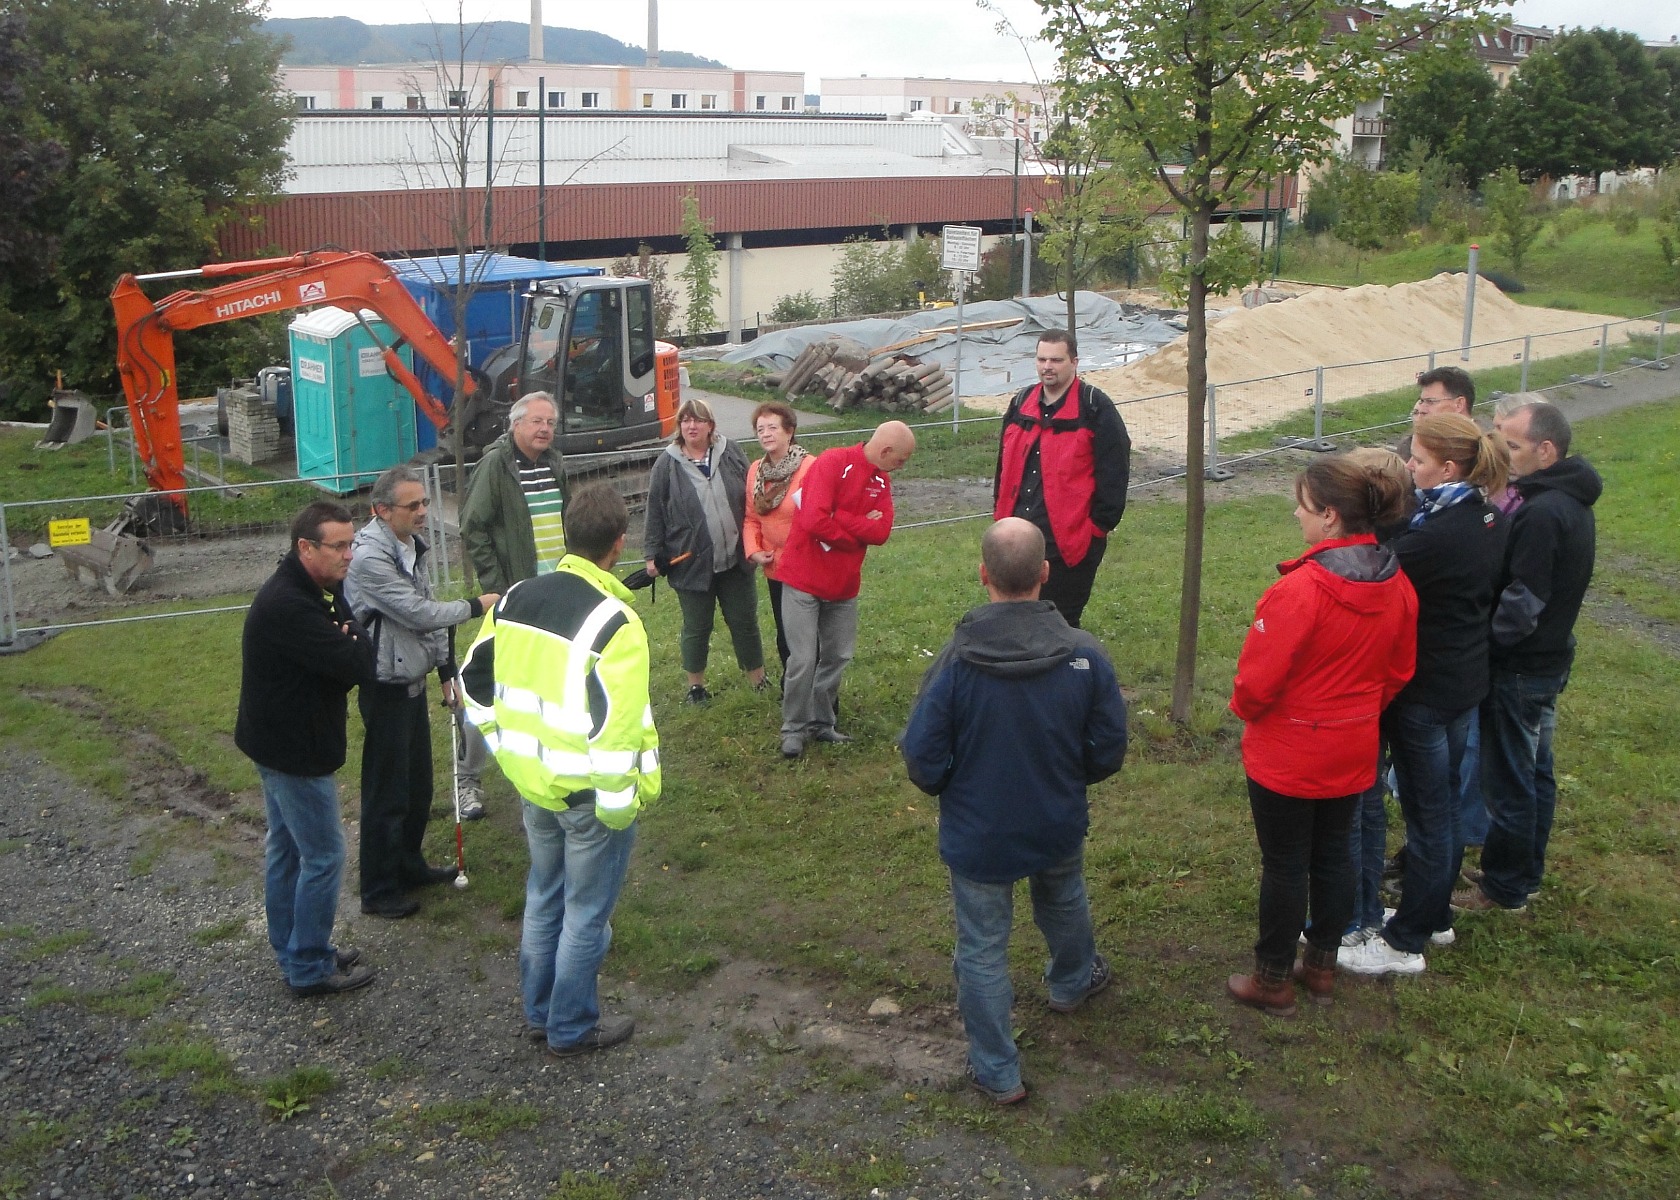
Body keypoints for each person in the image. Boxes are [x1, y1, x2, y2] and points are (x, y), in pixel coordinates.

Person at [901, 518, 1129, 1105]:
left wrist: (956, 787)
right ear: (1046, 575)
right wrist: (1068, 779)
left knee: (981, 946)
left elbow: (922, 757)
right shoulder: (1084, 654)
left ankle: (997, 1070)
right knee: (1064, 894)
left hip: (979, 831)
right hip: (1056, 817)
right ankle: (1073, 979)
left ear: (983, 576)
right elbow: (1108, 748)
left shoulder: (955, 663)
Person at [460, 483, 661, 1056]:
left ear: (567, 535)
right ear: (618, 544)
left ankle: (539, 1011)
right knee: (587, 914)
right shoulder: (615, 622)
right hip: (589, 797)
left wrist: (504, 747)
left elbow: (473, 681)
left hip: (535, 786)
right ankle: (571, 1025)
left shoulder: (517, 595)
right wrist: (619, 809)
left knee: (544, 895)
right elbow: (616, 728)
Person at [1227, 454, 1417, 1015]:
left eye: (1304, 506)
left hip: (1288, 753)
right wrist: (1357, 712)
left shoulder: (1300, 592)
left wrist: (1249, 709)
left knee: (1285, 863)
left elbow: (1256, 685)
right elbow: (1398, 671)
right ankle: (1322, 967)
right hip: (1352, 748)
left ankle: (1271, 978)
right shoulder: (1397, 584)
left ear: (1331, 516)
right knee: (1335, 854)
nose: (1296, 513)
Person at [1340, 416, 1509, 976]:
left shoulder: (1435, 535)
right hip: (1463, 678)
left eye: (1417, 459)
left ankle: (1407, 935)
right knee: (1438, 813)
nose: (1409, 468)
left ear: (1450, 466)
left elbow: (1377, 571)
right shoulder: (1481, 514)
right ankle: (1433, 914)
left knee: (1429, 814)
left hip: (1426, 691)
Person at [1457, 400, 1600, 913]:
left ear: (1546, 449)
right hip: (1548, 660)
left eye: (1512, 445)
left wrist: (1487, 647)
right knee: (1536, 772)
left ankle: (1504, 888)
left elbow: (1525, 600)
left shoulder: (1542, 512)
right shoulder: (1567, 496)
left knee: (1510, 782)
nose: (1501, 452)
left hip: (1521, 668)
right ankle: (1525, 870)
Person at [235, 502, 379, 998]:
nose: (350, 555)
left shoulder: (318, 587)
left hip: (277, 740)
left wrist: (348, 633)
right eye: (339, 546)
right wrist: (351, 638)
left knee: (287, 848)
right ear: (305, 547)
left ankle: (294, 946)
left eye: (351, 543)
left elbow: (350, 634)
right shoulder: (290, 606)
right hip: (293, 750)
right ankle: (309, 965)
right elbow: (360, 664)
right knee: (322, 855)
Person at [345, 467, 498, 919]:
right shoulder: (368, 556)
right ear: (382, 510)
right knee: (386, 790)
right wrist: (475, 606)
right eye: (412, 505)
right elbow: (416, 611)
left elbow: (428, 611)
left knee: (417, 786)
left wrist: (446, 668)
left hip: (411, 676)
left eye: (424, 503)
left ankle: (409, 865)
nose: (422, 512)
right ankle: (377, 888)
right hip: (384, 683)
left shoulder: (410, 545)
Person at [455, 391, 569, 820]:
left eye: (551, 423)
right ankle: (467, 780)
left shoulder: (555, 463)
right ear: (516, 424)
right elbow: (473, 526)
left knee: (548, 683)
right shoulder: (496, 466)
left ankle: (545, 766)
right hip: (514, 598)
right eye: (537, 421)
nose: (544, 430)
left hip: (555, 594)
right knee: (486, 680)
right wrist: (498, 587)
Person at [775, 420, 917, 759]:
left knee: (838, 655)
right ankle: (792, 728)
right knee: (804, 658)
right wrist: (853, 536)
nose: (902, 466)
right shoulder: (833, 463)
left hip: (843, 585)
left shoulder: (881, 480)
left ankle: (821, 722)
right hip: (803, 579)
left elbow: (881, 530)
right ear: (885, 451)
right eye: (900, 459)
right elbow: (811, 519)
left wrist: (839, 520)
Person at [992, 329, 1131, 629]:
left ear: (1074, 362)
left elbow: (1114, 472)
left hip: (1069, 545)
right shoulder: (1020, 404)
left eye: (1056, 360)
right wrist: (999, 516)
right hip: (1016, 542)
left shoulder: (1095, 407)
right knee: (1011, 623)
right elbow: (1003, 467)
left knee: (1060, 626)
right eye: (1041, 359)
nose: (1047, 367)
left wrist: (1097, 528)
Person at [642, 397, 766, 703]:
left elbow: (753, 493)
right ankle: (695, 687)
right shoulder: (667, 464)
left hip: (736, 559)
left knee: (745, 622)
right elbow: (655, 510)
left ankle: (759, 680)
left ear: (711, 425)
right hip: (690, 562)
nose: (691, 426)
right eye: (685, 420)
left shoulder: (731, 452)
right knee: (697, 627)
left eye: (698, 420)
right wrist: (651, 554)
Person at [742, 402, 815, 675]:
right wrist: (754, 550)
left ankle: (819, 700)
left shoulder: (810, 468)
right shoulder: (755, 472)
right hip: (775, 567)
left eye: (772, 427)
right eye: (760, 429)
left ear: (790, 431)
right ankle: (791, 691)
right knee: (784, 634)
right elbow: (751, 518)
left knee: (808, 637)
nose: (765, 434)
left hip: (806, 567)